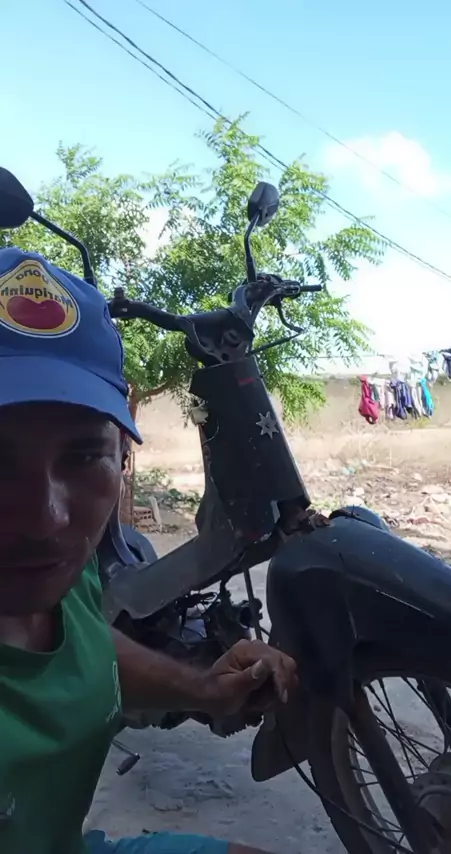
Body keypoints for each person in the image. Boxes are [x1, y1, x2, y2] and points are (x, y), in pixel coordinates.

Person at [0, 247, 298, 854]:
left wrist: (203, 687)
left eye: (84, 455)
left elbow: (86, 645)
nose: (47, 518)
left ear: (122, 456)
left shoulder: (63, 576)